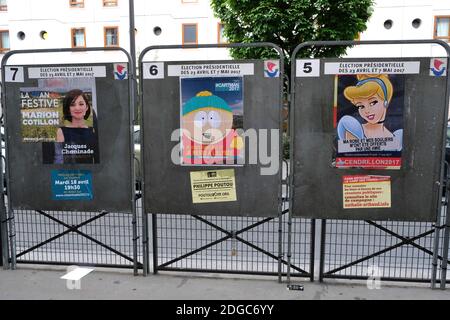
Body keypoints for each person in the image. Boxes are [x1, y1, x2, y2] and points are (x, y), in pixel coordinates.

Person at [337, 74, 402, 150]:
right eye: (361, 106)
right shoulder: (352, 128)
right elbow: (349, 156)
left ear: (385, 102)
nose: (367, 111)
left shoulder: (398, 136)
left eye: (373, 103)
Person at [54, 89, 99, 164]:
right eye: (72, 105)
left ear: (87, 107)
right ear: (68, 108)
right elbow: (59, 159)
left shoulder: (93, 131)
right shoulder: (61, 131)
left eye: (81, 104)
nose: (77, 108)